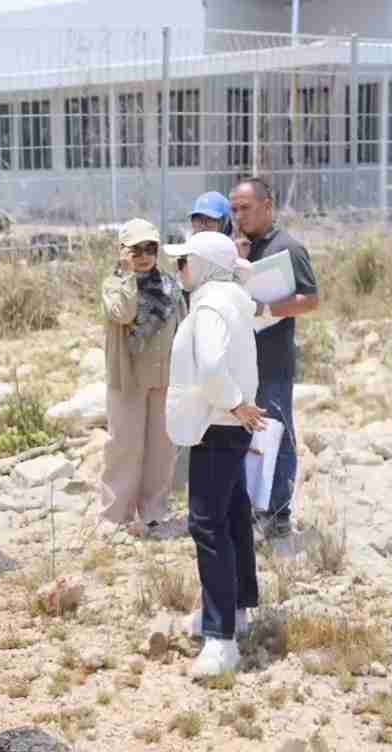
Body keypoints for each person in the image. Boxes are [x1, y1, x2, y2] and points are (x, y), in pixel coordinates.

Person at [163, 231, 266, 678]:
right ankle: (236, 609)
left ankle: (221, 639)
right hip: (230, 425)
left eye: (183, 261)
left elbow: (210, 367)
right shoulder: (234, 301)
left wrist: (233, 402)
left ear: (203, 265)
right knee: (234, 514)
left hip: (217, 425)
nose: (178, 269)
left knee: (207, 524)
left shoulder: (209, 306)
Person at [230, 177, 319, 539]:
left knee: (276, 434)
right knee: (246, 437)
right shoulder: (238, 248)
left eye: (246, 208)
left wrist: (266, 308)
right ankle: (251, 507)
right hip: (240, 362)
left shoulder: (288, 248)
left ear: (267, 206)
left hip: (273, 360)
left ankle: (279, 513)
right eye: (235, 209)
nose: (239, 215)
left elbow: (309, 299)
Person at [100, 218, 186, 529]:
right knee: (124, 446)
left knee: (161, 449)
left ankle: (153, 512)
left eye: (150, 248)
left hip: (163, 378)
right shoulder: (114, 285)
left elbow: (182, 327)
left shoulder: (170, 286)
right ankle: (116, 515)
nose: (144, 256)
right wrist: (127, 275)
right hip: (128, 379)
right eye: (136, 250)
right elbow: (123, 313)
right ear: (123, 251)